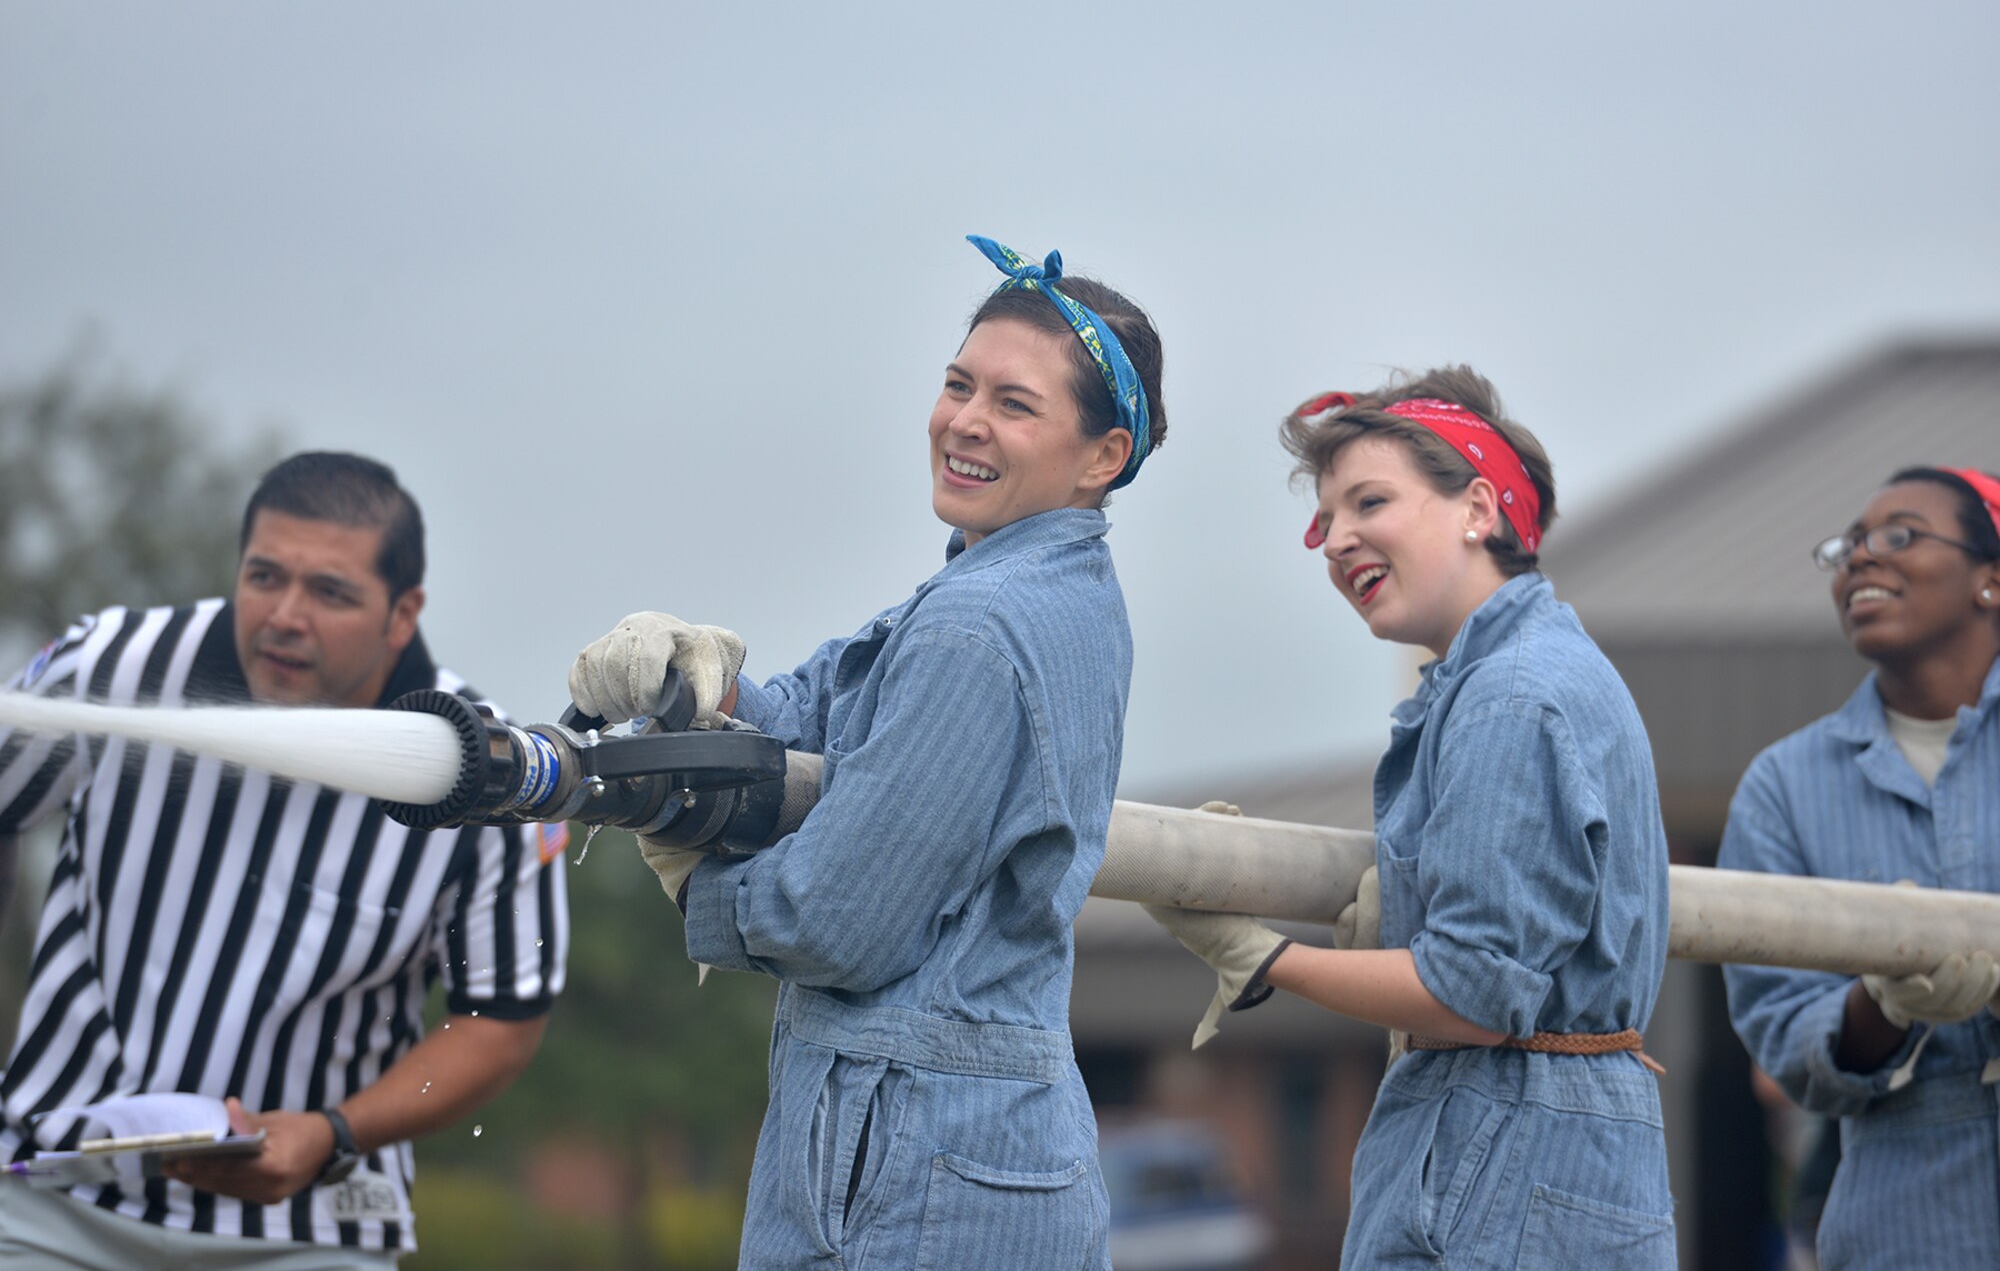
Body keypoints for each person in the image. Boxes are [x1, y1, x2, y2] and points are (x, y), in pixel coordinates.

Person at [564, 236, 1166, 1269]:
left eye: (1013, 404)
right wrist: (699, 682)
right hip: (979, 1140)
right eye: (956, 384)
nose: (964, 422)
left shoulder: (978, 624)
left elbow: (839, 920)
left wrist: (692, 881)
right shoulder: (1041, 588)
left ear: (1101, 455)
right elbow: (818, 705)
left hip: (911, 1153)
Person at [1146, 368, 1677, 1267]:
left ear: (1478, 506)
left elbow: (1474, 992)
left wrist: (1262, 958)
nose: (1335, 539)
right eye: (1325, 519)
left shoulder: (1511, 694)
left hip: (1505, 1139)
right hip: (1564, 1139)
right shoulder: (1541, 668)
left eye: (1370, 501)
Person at [0, 451, 569, 1268]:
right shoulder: (115, 667)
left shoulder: (481, 774)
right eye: (264, 576)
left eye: (330, 592)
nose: (284, 616)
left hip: (312, 1228)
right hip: (57, 1201)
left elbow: (503, 1017)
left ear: (401, 613)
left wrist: (334, 1131)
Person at [1720, 465, 2000, 1269]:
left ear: (1991, 578)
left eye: (1900, 536)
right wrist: (1883, 1001)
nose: (1860, 560)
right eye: (1849, 546)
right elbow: (1779, 1027)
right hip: (1904, 1234)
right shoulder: (1786, 784)